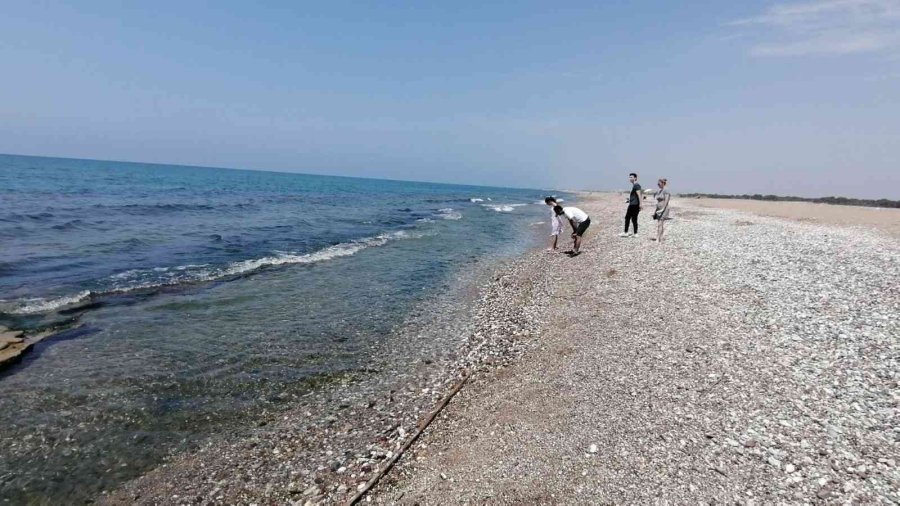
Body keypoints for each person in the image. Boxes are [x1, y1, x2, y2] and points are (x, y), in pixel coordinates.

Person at [619, 172, 643, 238]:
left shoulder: (636, 185)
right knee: (631, 218)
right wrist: (629, 201)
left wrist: (641, 204)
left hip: (634, 205)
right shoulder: (635, 185)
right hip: (633, 204)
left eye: (631, 177)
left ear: (635, 178)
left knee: (629, 218)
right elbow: (635, 196)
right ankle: (634, 233)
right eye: (629, 177)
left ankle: (627, 232)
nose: (630, 178)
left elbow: (639, 195)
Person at [653, 178, 671, 243]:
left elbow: (666, 200)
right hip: (658, 209)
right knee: (660, 224)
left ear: (663, 183)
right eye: (657, 184)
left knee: (660, 224)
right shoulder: (660, 190)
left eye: (659, 183)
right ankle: (661, 237)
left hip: (663, 209)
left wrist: (663, 208)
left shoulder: (666, 190)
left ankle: (657, 238)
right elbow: (657, 198)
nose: (658, 185)